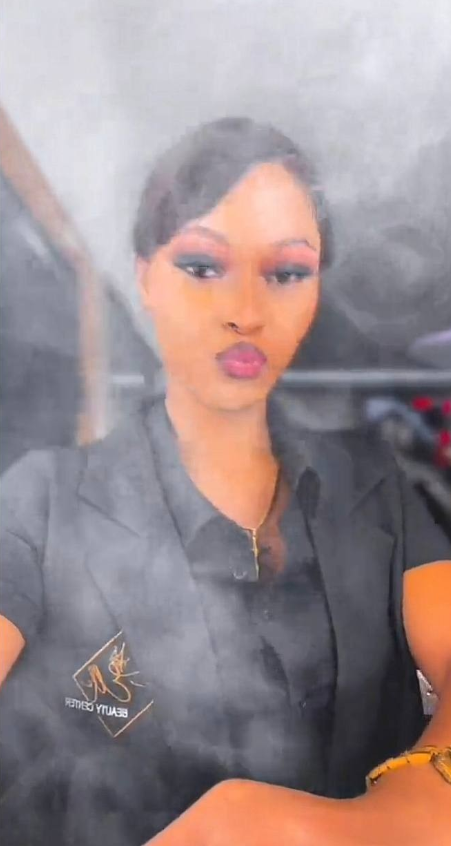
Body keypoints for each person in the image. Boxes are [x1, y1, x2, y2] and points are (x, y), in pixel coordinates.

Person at [0, 117, 450, 846]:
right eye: (203, 266)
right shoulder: (40, 504)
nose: (245, 313)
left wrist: (383, 812)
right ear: (144, 277)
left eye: (286, 273)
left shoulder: (375, 488)